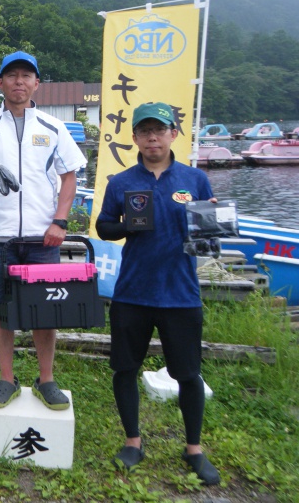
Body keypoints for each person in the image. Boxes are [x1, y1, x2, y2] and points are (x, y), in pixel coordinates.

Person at [96, 102, 221, 485]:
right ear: (134, 137)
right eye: (145, 130)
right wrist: (127, 226)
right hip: (132, 292)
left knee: (188, 373)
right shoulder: (121, 182)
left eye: (160, 129)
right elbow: (103, 227)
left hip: (181, 294)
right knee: (125, 369)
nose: (153, 137)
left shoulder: (195, 180)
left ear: (173, 134)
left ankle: (194, 449)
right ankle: (133, 441)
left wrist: (212, 223)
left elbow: (208, 244)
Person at [0, 51, 86, 410]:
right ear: (0, 83)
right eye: (11, 75)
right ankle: (6, 379)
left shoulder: (53, 127)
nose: (19, 82)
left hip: (44, 235)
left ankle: (46, 380)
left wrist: (60, 221)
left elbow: (69, 176)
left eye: (27, 76)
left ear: (36, 83)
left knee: (47, 309)